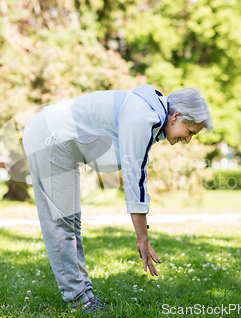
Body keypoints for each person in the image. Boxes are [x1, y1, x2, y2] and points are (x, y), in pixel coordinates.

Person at [22, 84, 213, 313]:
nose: (188, 140)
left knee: (70, 223)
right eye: (190, 132)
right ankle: (80, 300)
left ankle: (83, 296)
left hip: (58, 139)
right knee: (61, 224)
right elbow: (135, 179)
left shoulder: (150, 115)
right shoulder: (144, 116)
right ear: (177, 116)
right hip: (50, 136)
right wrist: (143, 239)